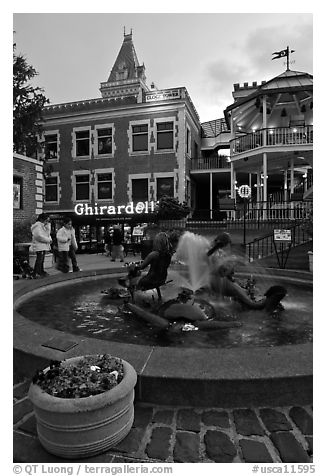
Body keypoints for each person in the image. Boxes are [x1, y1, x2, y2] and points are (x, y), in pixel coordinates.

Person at [206, 232, 286, 312]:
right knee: (250, 302)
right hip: (218, 281)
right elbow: (221, 273)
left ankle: (256, 302)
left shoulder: (215, 253)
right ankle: (264, 302)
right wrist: (231, 264)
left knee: (244, 292)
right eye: (227, 243)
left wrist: (230, 265)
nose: (228, 246)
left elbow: (222, 271)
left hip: (221, 280)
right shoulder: (215, 255)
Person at [121, 231, 179, 300]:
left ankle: (132, 300)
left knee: (133, 280)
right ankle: (159, 297)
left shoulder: (153, 254)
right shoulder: (168, 255)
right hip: (162, 279)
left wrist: (133, 266)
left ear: (157, 242)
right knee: (144, 275)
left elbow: (141, 267)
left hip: (150, 280)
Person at [30, 213, 52, 277]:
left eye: (48, 221)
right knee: (39, 260)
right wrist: (48, 240)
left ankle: (40, 271)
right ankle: (37, 272)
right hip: (39, 245)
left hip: (43, 245)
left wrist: (48, 226)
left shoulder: (43, 226)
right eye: (46, 221)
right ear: (42, 219)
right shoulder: (37, 226)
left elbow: (47, 234)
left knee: (41, 260)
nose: (47, 222)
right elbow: (38, 236)